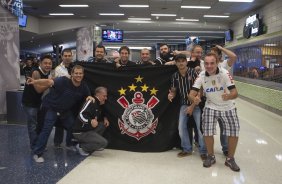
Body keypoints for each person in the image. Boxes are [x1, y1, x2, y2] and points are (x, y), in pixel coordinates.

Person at [27, 65, 94, 163]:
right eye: (76, 73)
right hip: (51, 108)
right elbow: (49, 82)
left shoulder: (83, 86)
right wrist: (35, 81)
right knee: (47, 129)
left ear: (83, 75)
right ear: (72, 74)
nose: (78, 75)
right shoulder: (63, 80)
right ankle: (37, 153)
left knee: (72, 126)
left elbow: (88, 95)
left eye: (80, 73)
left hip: (64, 111)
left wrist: (90, 97)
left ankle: (70, 144)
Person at [189, 52, 240, 172]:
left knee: (233, 132)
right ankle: (211, 156)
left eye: (212, 63)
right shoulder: (201, 75)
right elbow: (191, 94)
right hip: (211, 106)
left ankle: (230, 159)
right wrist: (194, 99)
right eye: (206, 63)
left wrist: (228, 96)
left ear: (217, 63)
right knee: (207, 132)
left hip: (228, 106)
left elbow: (235, 93)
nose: (209, 66)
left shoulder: (224, 73)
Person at [168, 54, 207, 160]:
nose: (181, 63)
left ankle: (204, 151)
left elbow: (201, 90)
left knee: (200, 129)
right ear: (176, 63)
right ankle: (187, 149)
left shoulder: (194, 72)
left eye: (183, 61)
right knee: (181, 127)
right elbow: (174, 90)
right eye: (178, 61)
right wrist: (171, 95)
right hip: (184, 104)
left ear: (186, 62)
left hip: (197, 104)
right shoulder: (174, 76)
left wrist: (193, 105)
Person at [211, 45, 237, 156]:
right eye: (211, 53)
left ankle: (226, 148)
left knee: (224, 128)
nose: (212, 56)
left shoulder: (224, 64)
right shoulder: (207, 64)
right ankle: (206, 149)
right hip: (210, 102)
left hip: (225, 102)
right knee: (207, 129)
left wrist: (221, 48)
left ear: (220, 56)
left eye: (215, 54)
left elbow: (233, 56)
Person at [22, 55, 52, 149]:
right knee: (33, 126)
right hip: (30, 103)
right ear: (40, 63)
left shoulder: (47, 73)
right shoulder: (35, 72)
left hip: (38, 103)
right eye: (45, 63)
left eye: (50, 63)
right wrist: (50, 83)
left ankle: (39, 144)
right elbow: (39, 89)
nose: (48, 65)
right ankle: (35, 146)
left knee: (40, 124)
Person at [72, 87, 109, 156]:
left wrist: (105, 118)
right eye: (104, 96)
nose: (106, 98)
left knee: (102, 125)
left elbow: (98, 114)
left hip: (88, 129)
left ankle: (92, 144)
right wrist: (90, 121)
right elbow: (81, 114)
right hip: (80, 132)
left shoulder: (99, 103)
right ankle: (81, 147)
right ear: (98, 94)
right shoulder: (91, 101)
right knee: (104, 143)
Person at [53, 49, 73, 149]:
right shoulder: (58, 69)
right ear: (62, 56)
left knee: (71, 121)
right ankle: (57, 142)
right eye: (65, 55)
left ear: (72, 56)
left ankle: (69, 143)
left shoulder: (74, 67)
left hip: (72, 98)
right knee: (59, 121)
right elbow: (57, 84)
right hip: (61, 98)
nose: (67, 57)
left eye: (69, 55)